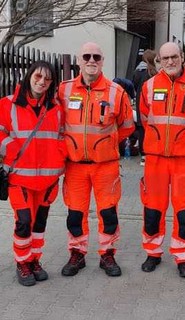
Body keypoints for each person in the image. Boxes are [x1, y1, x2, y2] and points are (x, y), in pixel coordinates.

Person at [57, 42, 135, 278]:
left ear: (103, 61)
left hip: (105, 166)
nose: (92, 60)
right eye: (87, 56)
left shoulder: (115, 92)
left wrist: (105, 145)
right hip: (75, 167)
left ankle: (107, 254)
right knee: (75, 214)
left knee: (108, 213)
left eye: (97, 57)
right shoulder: (64, 90)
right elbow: (56, 124)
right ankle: (77, 253)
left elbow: (127, 126)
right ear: (79, 60)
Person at [139, 42, 185, 278]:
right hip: (156, 159)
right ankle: (153, 252)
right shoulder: (148, 87)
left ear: (182, 57)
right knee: (152, 209)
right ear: (158, 60)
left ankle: (183, 257)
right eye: (165, 58)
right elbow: (145, 120)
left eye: (174, 57)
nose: (170, 62)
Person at [0, 60, 67, 286]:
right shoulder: (7, 104)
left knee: (39, 224)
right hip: (20, 177)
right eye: (38, 76)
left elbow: (63, 135)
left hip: (47, 178)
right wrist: (11, 148)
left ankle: (34, 260)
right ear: (29, 76)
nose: (42, 82)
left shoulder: (56, 107)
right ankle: (22, 262)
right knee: (23, 222)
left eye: (47, 79)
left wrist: (59, 154)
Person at [132, 49, 157, 166]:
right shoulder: (156, 72)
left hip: (140, 102)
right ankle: (153, 152)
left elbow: (134, 85)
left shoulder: (139, 71)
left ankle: (143, 155)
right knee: (153, 128)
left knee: (142, 128)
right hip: (155, 103)